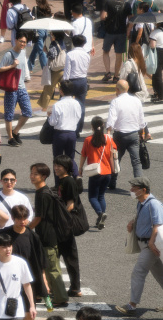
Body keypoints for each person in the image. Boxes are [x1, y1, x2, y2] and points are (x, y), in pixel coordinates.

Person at [116, 177, 163, 316]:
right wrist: (132, 222)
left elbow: (158, 225)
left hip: (151, 245)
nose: (131, 191)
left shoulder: (154, 204)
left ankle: (132, 305)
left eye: (134, 188)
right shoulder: (142, 203)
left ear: (143, 190)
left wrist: (151, 242)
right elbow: (142, 217)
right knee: (160, 274)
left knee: (139, 272)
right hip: (145, 244)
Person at [0, 205, 49, 312]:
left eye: (25, 218)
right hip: (8, 279)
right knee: (8, 311)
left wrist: (44, 281)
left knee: (29, 311)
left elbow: (40, 260)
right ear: (13, 218)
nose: (22, 221)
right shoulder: (3, 234)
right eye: (19, 218)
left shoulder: (32, 236)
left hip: (27, 278)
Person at [28, 163, 70, 307]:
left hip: (47, 236)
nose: (32, 176)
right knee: (48, 266)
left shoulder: (43, 194)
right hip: (48, 235)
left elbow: (39, 217)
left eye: (36, 174)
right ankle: (53, 292)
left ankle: (61, 297)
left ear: (44, 176)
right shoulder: (43, 191)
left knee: (52, 268)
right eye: (32, 173)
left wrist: (27, 228)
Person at [0, 233, 37, 320]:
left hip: (16, 310)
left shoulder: (20, 263)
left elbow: (27, 285)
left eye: (9, 246)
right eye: (4, 247)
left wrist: (32, 306)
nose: (8, 249)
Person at [106, 80, 146, 189]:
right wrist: (142, 132)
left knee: (116, 159)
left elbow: (111, 119)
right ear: (127, 88)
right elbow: (141, 118)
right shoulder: (136, 100)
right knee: (136, 161)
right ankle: (139, 186)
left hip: (120, 135)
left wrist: (108, 132)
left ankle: (112, 182)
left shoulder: (115, 101)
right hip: (133, 135)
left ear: (117, 89)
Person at [78, 117, 117, 229]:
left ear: (92, 126)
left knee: (92, 197)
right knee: (101, 196)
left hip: (95, 172)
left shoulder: (88, 140)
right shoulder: (108, 139)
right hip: (107, 172)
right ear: (103, 126)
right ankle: (101, 220)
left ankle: (100, 214)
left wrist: (80, 168)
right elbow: (114, 152)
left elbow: (83, 155)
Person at [53, 155, 83, 298]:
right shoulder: (62, 181)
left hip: (65, 225)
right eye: (55, 165)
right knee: (63, 256)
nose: (56, 168)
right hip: (63, 224)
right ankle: (73, 287)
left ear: (66, 167)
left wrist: (58, 218)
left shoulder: (69, 181)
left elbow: (70, 205)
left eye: (59, 165)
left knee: (69, 257)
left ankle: (75, 288)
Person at [0, 31, 31, 147]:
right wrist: (12, 66)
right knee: (9, 114)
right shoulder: (9, 54)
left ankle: (15, 132)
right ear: (16, 40)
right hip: (11, 88)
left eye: (25, 42)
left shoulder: (23, 52)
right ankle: (10, 138)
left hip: (22, 87)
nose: (23, 44)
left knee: (28, 112)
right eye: (21, 41)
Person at [48, 80, 81, 185]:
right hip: (72, 133)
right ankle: (76, 176)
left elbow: (53, 123)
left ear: (61, 91)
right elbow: (78, 117)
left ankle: (58, 183)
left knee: (57, 160)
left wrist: (49, 116)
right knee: (70, 158)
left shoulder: (57, 105)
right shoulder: (76, 103)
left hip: (60, 134)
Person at [63, 35, 90, 136]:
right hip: (83, 80)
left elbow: (67, 71)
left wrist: (64, 82)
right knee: (81, 105)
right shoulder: (86, 55)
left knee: (66, 104)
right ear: (84, 43)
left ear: (73, 43)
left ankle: (67, 126)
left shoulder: (70, 54)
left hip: (71, 81)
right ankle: (78, 129)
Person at [100, 0, 131, 84]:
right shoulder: (126, 4)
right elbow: (131, 18)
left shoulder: (108, 3)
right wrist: (127, 28)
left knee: (106, 51)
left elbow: (103, 16)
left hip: (109, 32)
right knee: (119, 55)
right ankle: (116, 76)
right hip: (121, 32)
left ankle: (107, 72)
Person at [36, 31, 66, 115]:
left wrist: (46, 51)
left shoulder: (53, 43)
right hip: (63, 69)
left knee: (48, 89)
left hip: (55, 71)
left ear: (54, 35)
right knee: (64, 89)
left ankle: (44, 109)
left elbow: (52, 55)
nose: (50, 35)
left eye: (51, 34)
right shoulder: (62, 42)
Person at [28, 0, 51, 73]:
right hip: (45, 30)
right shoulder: (48, 8)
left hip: (38, 31)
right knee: (35, 49)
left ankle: (45, 69)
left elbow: (33, 19)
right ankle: (29, 67)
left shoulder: (35, 8)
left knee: (41, 51)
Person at [150, 22, 163, 102]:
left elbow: (153, 45)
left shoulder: (155, 32)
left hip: (158, 53)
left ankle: (160, 95)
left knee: (157, 75)